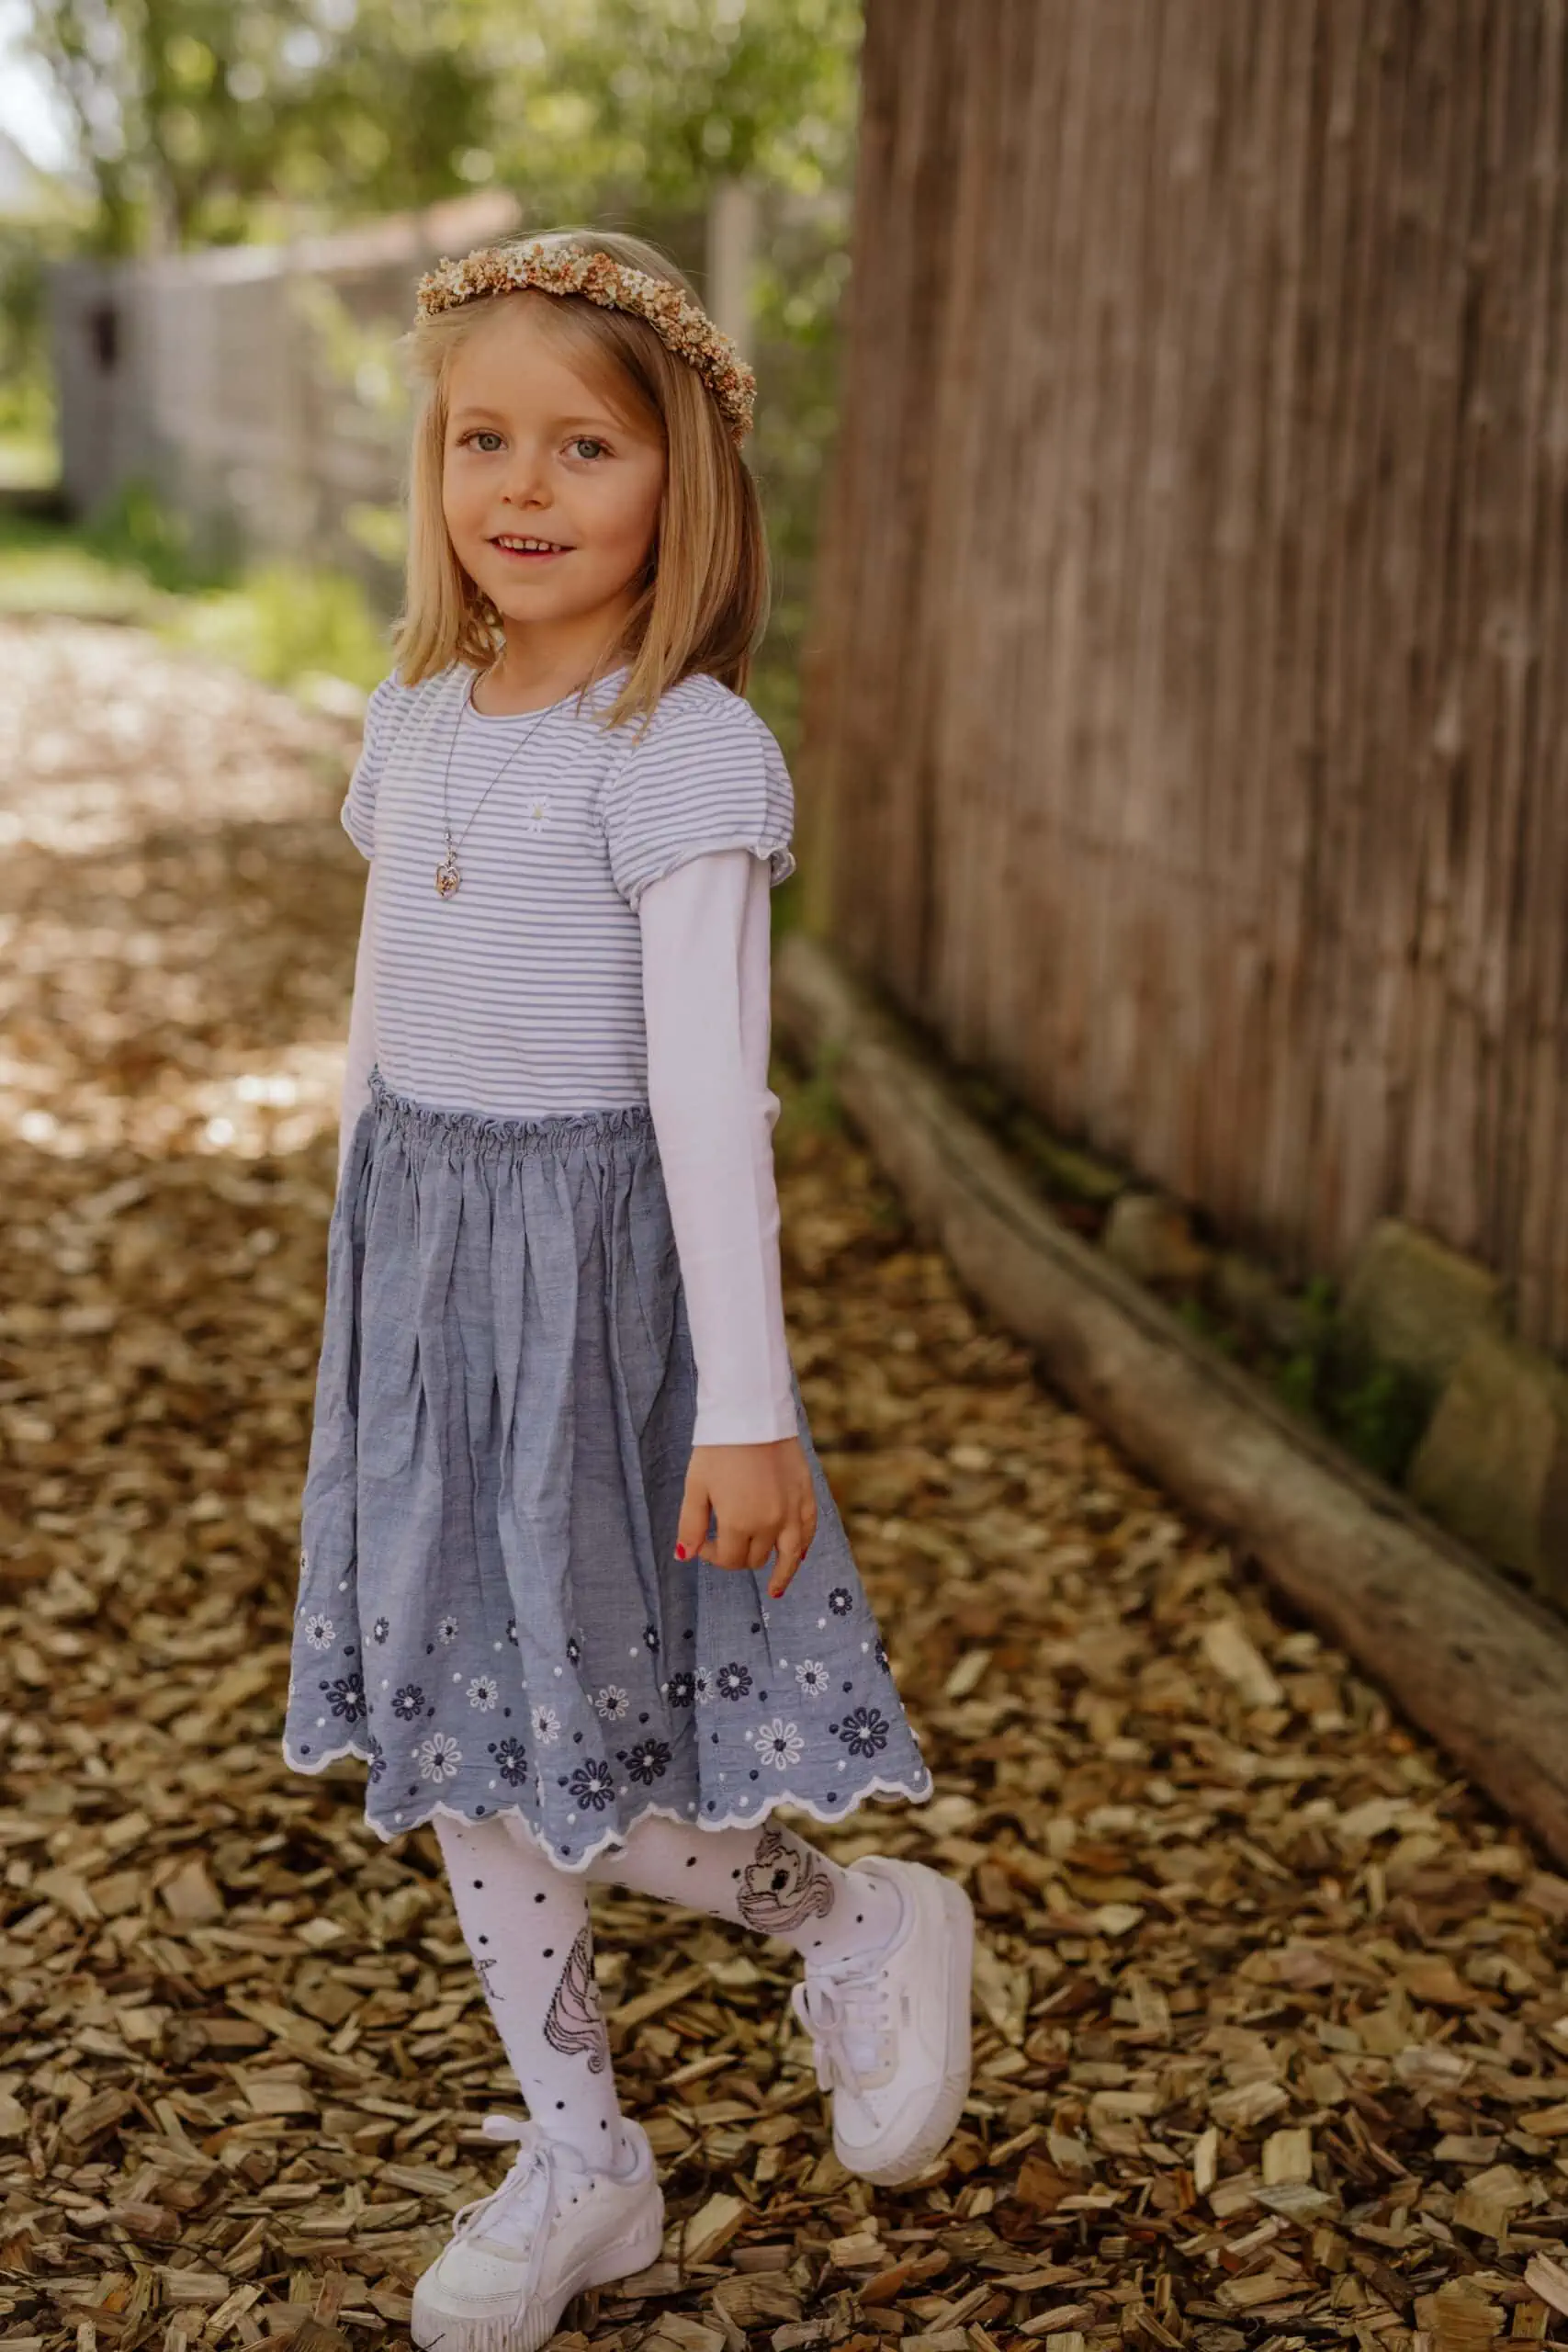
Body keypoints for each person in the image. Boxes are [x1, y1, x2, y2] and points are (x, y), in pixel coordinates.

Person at [278, 227, 975, 2352]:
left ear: (680, 481)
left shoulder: (676, 751)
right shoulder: (407, 715)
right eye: (485, 436)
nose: (525, 484)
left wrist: (743, 1402)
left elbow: (706, 1099)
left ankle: (851, 1909)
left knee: (553, 1736)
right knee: (455, 1736)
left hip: (603, 1305)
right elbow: (386, 1027)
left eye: (585, 443)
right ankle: (584, 2158)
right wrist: (370, 1305)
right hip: (424, 1292)